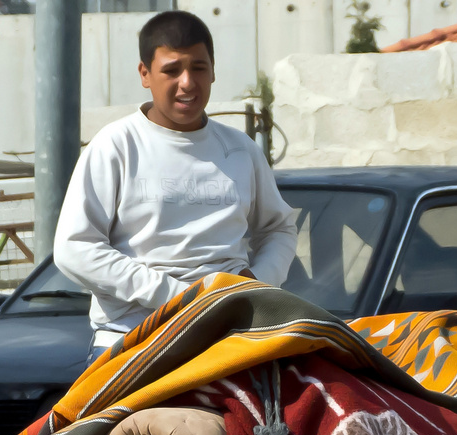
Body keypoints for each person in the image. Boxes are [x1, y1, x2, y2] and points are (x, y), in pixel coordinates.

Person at [54, 11, 298, 357]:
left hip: (230, 340)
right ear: (145, 74)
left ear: (213, 70)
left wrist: (256, 287)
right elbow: (73, 249)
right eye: (171, 70)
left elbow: (279, 228)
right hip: (133, 343)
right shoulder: (116, 146)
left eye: (198, 67)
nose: (187, 82)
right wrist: (177, 298)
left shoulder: (241, 149)